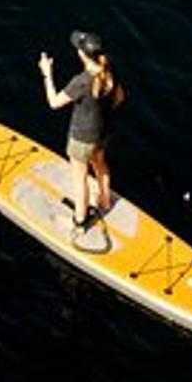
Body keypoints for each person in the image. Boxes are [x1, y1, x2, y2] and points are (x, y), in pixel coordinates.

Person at [38, 29, 126, 243]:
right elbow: (119, 99)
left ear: (82, 55)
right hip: (102, 133)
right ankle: (105, 202)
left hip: (82, 138)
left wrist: (46, 74)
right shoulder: (109, 72)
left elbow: (54, 103)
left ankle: (79, 223)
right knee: (100, 164)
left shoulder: (83, 81)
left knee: (80, 179)